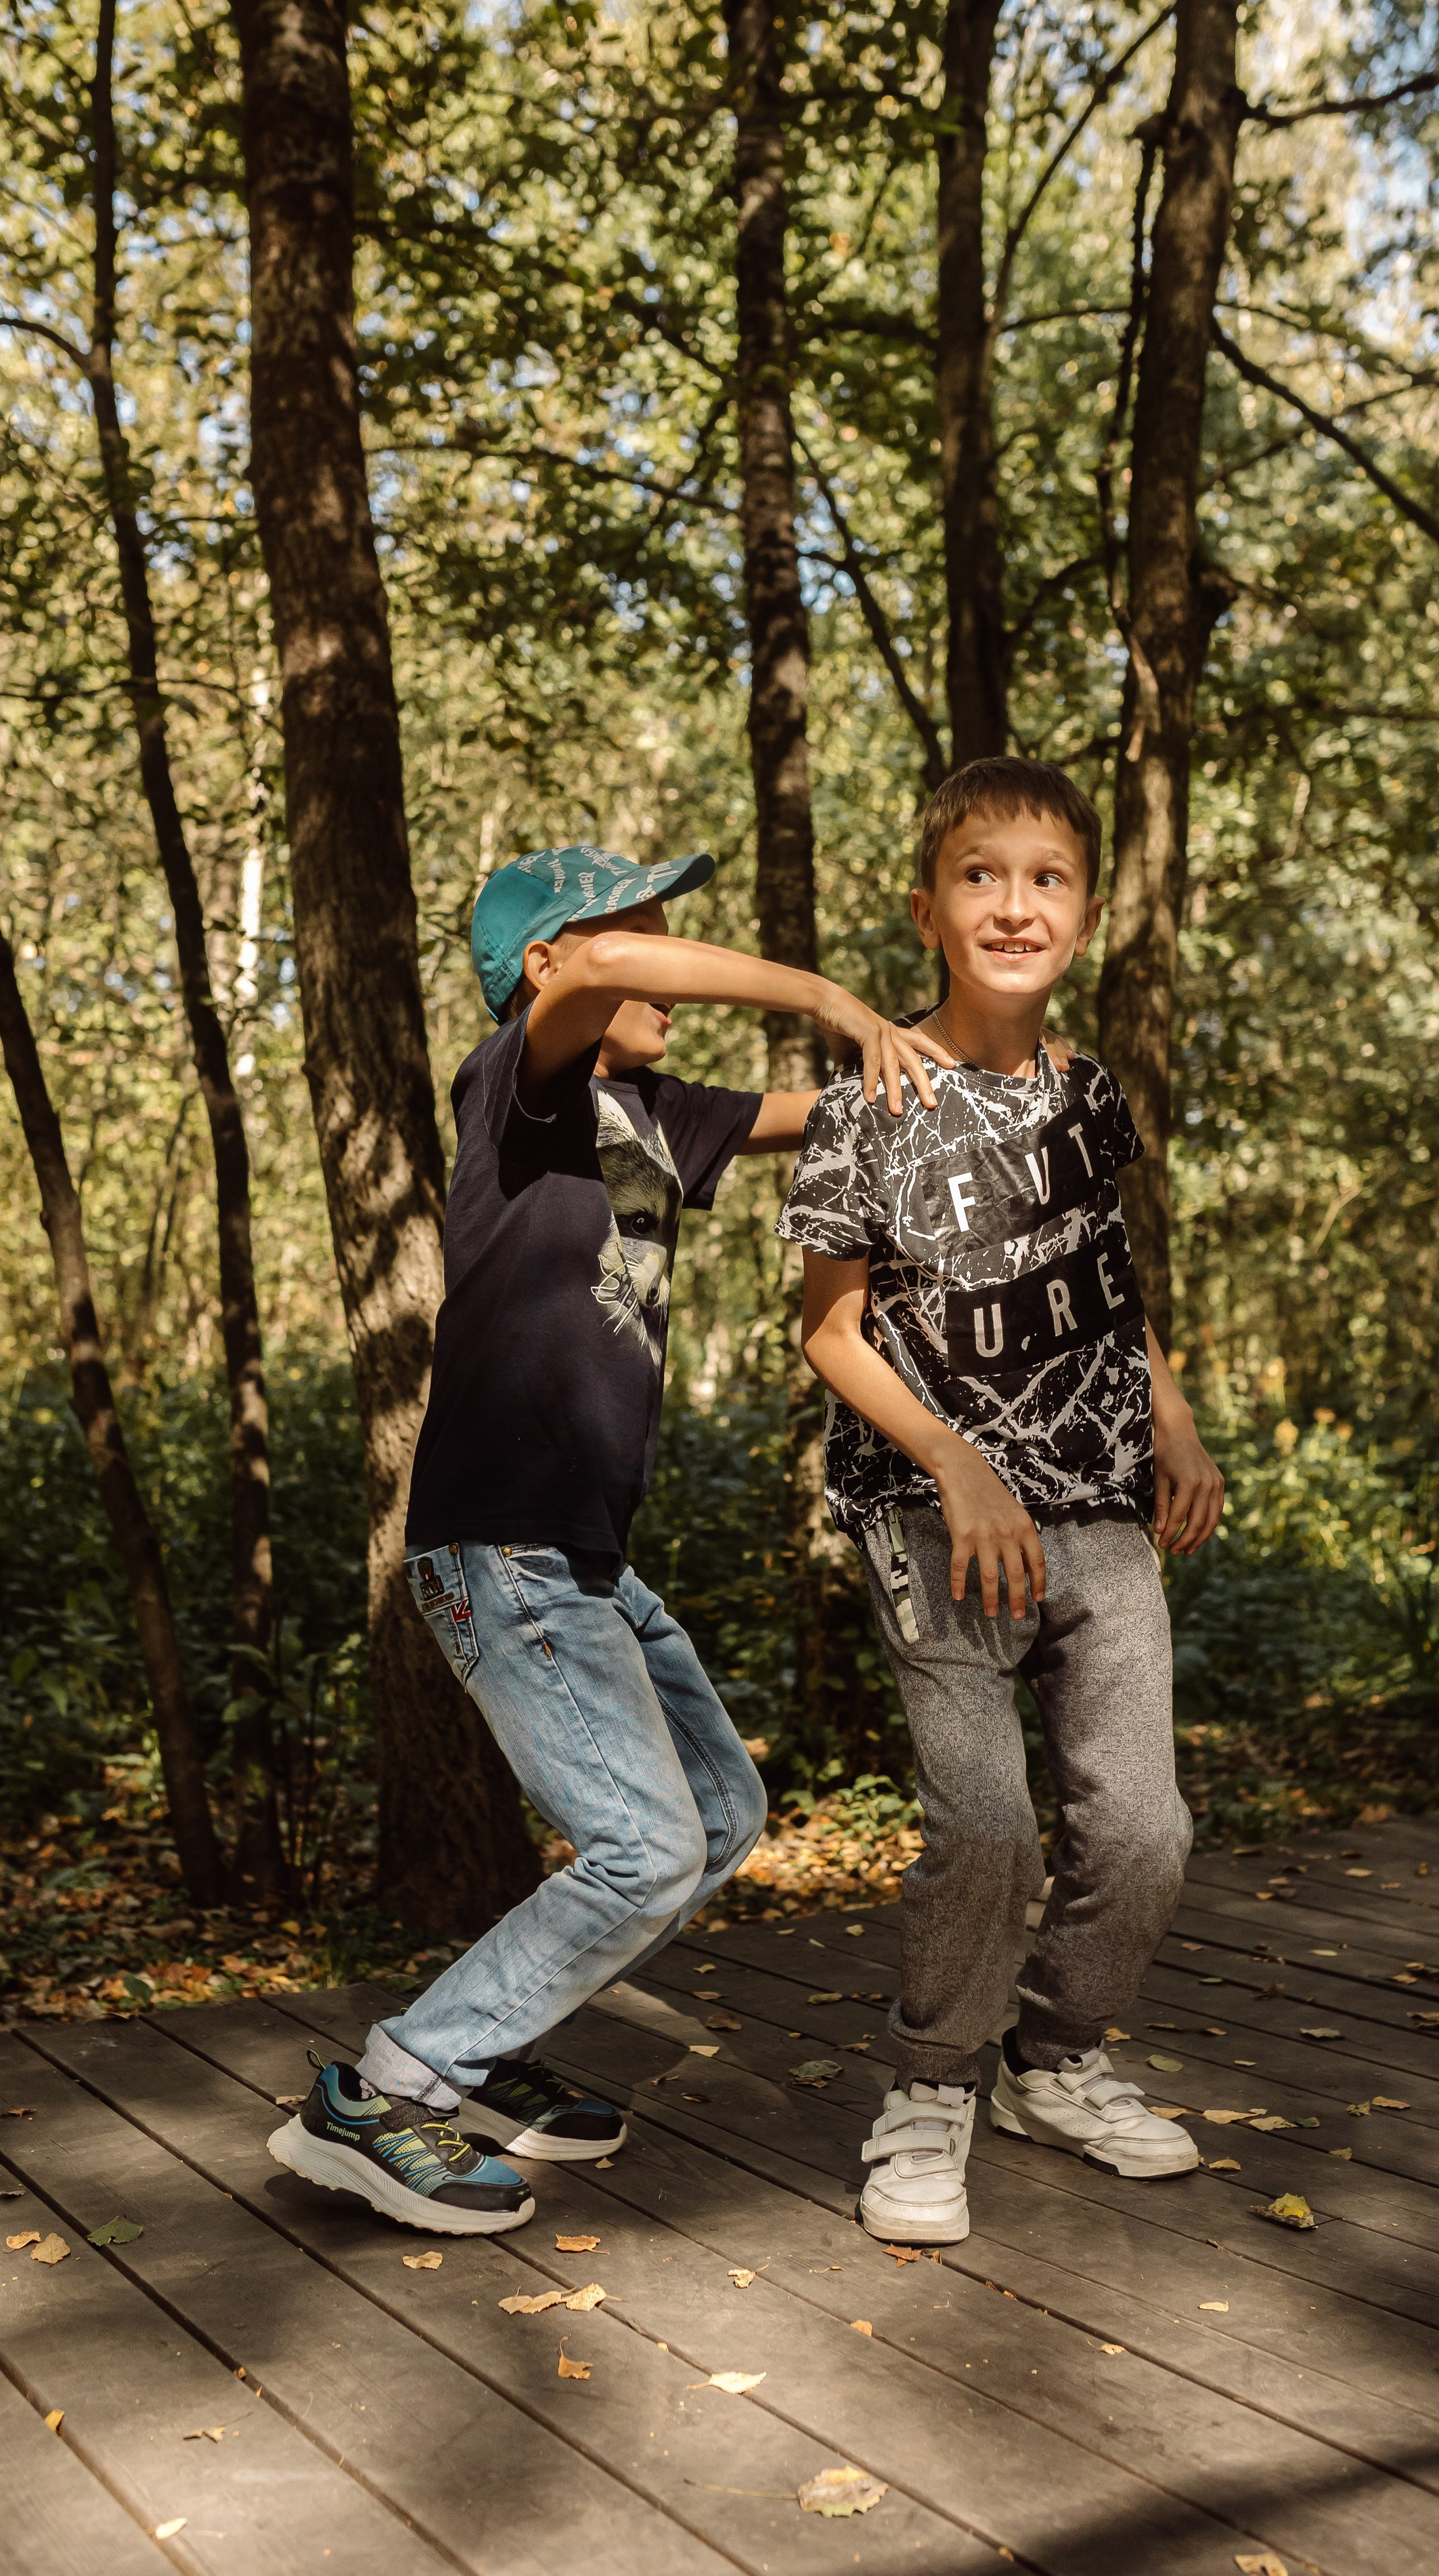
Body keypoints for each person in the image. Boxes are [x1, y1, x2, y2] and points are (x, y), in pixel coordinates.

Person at [271, 842, 948, 2236]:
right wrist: (823, 989)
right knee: (639, 1843)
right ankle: (387, 2092)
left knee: (713, 1817)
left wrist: (963, 1064)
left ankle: (486, 2036)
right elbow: (596, 974)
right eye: (640, 932)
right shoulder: (517, 1089)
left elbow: (827, 1111)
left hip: (583, 1562)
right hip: (500, 1546)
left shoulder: (656, 1112)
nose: (667, 968)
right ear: (547, 964)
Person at [776, 758, 1225, 2246]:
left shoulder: (1087, 1095)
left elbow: (1110, 1286)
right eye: (982, 876)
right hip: (931, 1515)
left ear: (1085, 915)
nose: (1013, 904)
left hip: (1095, 1504)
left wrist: (1168, 1417)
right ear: (928, 908)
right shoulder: (868, 1100)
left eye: (1045, 879)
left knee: (1143, 1830)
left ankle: (1053, 2058)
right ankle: (928, 2089)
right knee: (986, 1827)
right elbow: (829, 1331)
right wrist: (957, 1464)